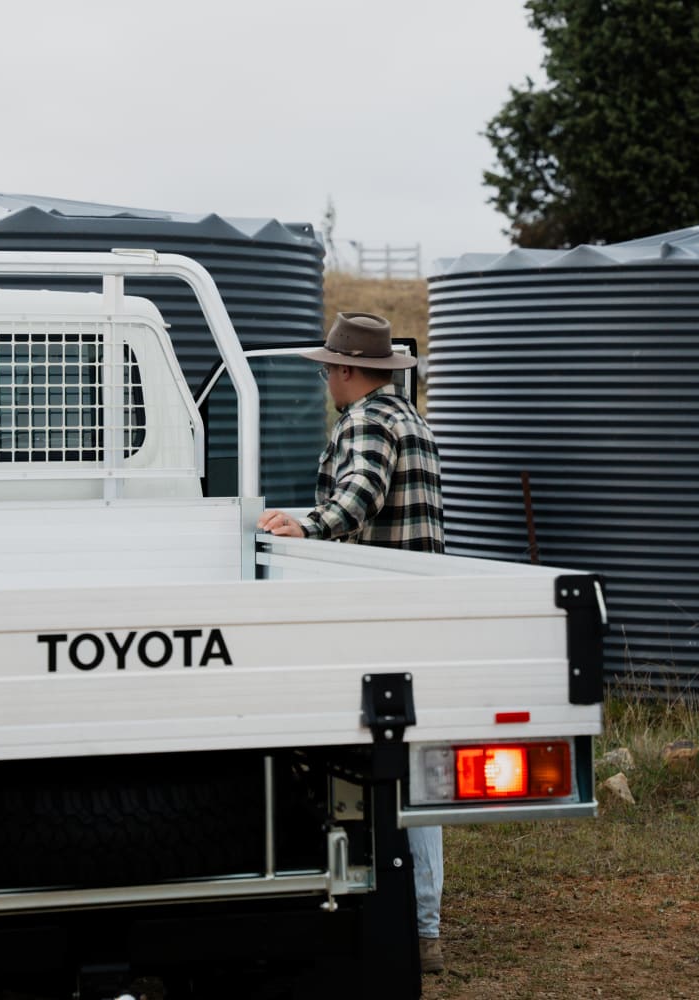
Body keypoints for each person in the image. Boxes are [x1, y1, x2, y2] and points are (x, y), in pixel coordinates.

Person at [257, 311, 446, 974]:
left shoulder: (365, 420)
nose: (326, 384)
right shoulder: (411, 419)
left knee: (387, 764)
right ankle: (424, 922)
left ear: (344, 370)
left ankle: (403, 923)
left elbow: (358, 497)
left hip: (380, 610)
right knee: (417, 766)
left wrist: (305, 529)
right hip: (420, 606)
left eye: (327, 371)